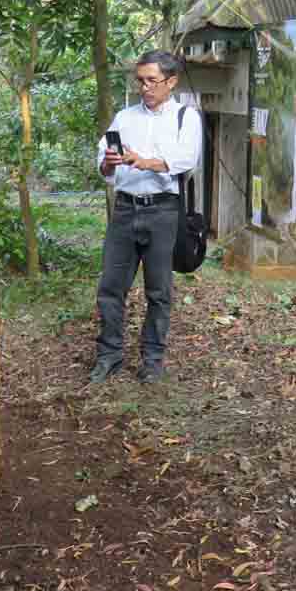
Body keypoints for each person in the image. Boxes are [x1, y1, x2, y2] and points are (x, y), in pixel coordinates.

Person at [92, 50, 203, 384]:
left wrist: (145, 161)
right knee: (110, 288)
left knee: (159, 290)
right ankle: (109, 356)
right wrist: (110, 162)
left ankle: (152, 361)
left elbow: (186, 159)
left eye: (152, 81)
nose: (144, 88)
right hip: (125, 209)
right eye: (140, 81)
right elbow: (103, 165)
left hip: (163, 211)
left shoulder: (186, 117)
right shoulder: (124, 118)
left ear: (171, 82)